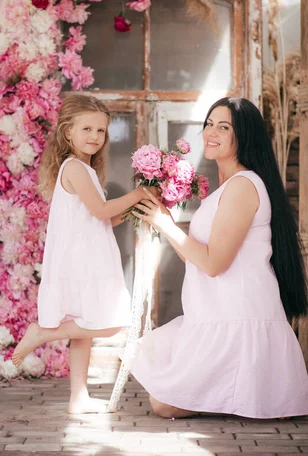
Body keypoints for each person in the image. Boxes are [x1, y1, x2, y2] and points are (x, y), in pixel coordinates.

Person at [131, 96, 308, 419]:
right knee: (163, 396)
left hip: (237, 318)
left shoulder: (242, 186)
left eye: (223, 127)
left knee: (164, 403)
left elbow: (214, 264)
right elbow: (199, 260)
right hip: (216, 313)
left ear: (244, 136)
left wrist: (164, 224)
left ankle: (237, 387)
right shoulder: (224, 189)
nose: (211, 132)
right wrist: (165, 221)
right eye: (209, 124)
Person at [12, 95, 151, 414]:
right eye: (87, 128)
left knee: (85, 330)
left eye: (101, 131)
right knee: (107, 325)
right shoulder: (74, 167)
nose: (95, 136)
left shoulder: (86, 170)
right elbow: (101, 210)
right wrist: (139, 193)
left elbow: (103, 219)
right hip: (83, 259)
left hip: (91, 254)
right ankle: (42, 333)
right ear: (67, 132)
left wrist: (135, 210)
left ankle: (78, 397)